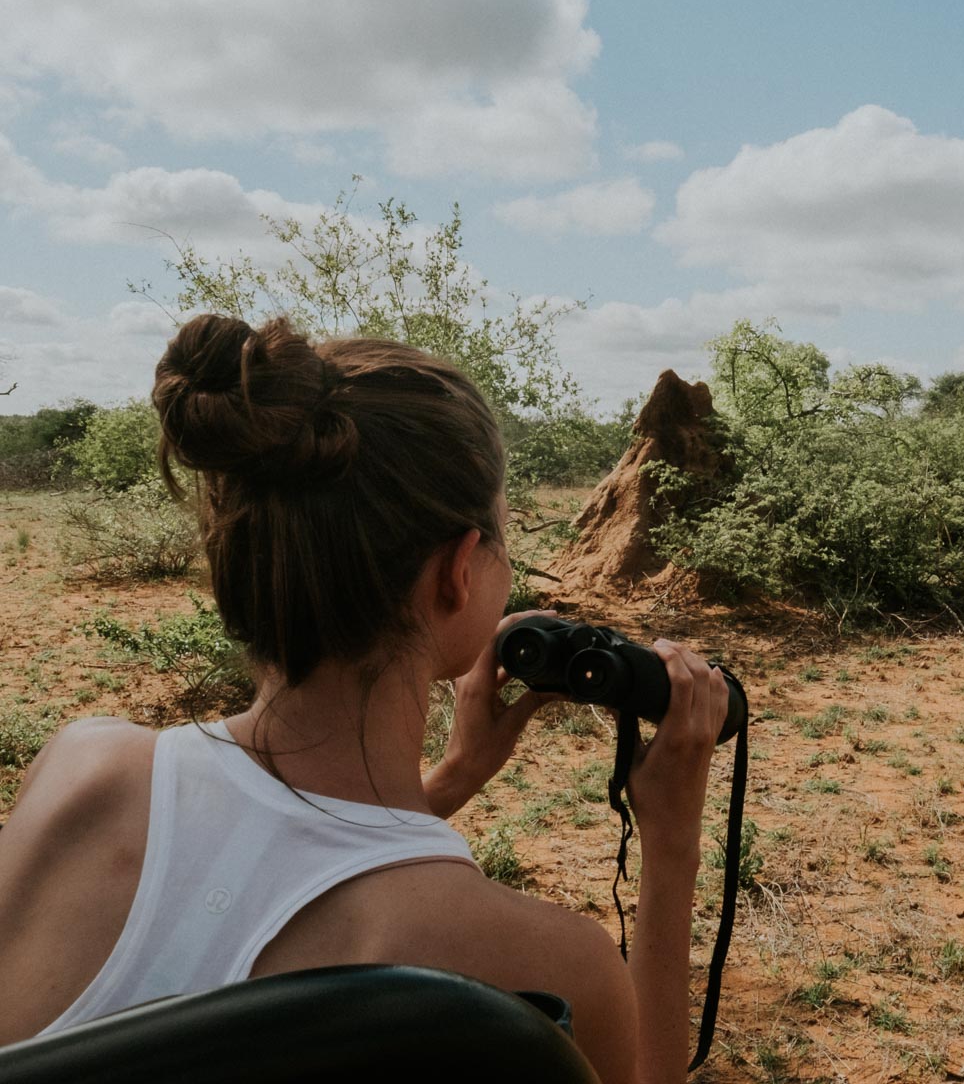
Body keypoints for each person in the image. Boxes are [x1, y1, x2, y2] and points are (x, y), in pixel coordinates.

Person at [0, 315, 729, 1084]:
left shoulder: (81, 767)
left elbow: (244, 879)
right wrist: (673, 842)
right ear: (458, 571)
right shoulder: (547, 963)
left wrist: (448, 782)